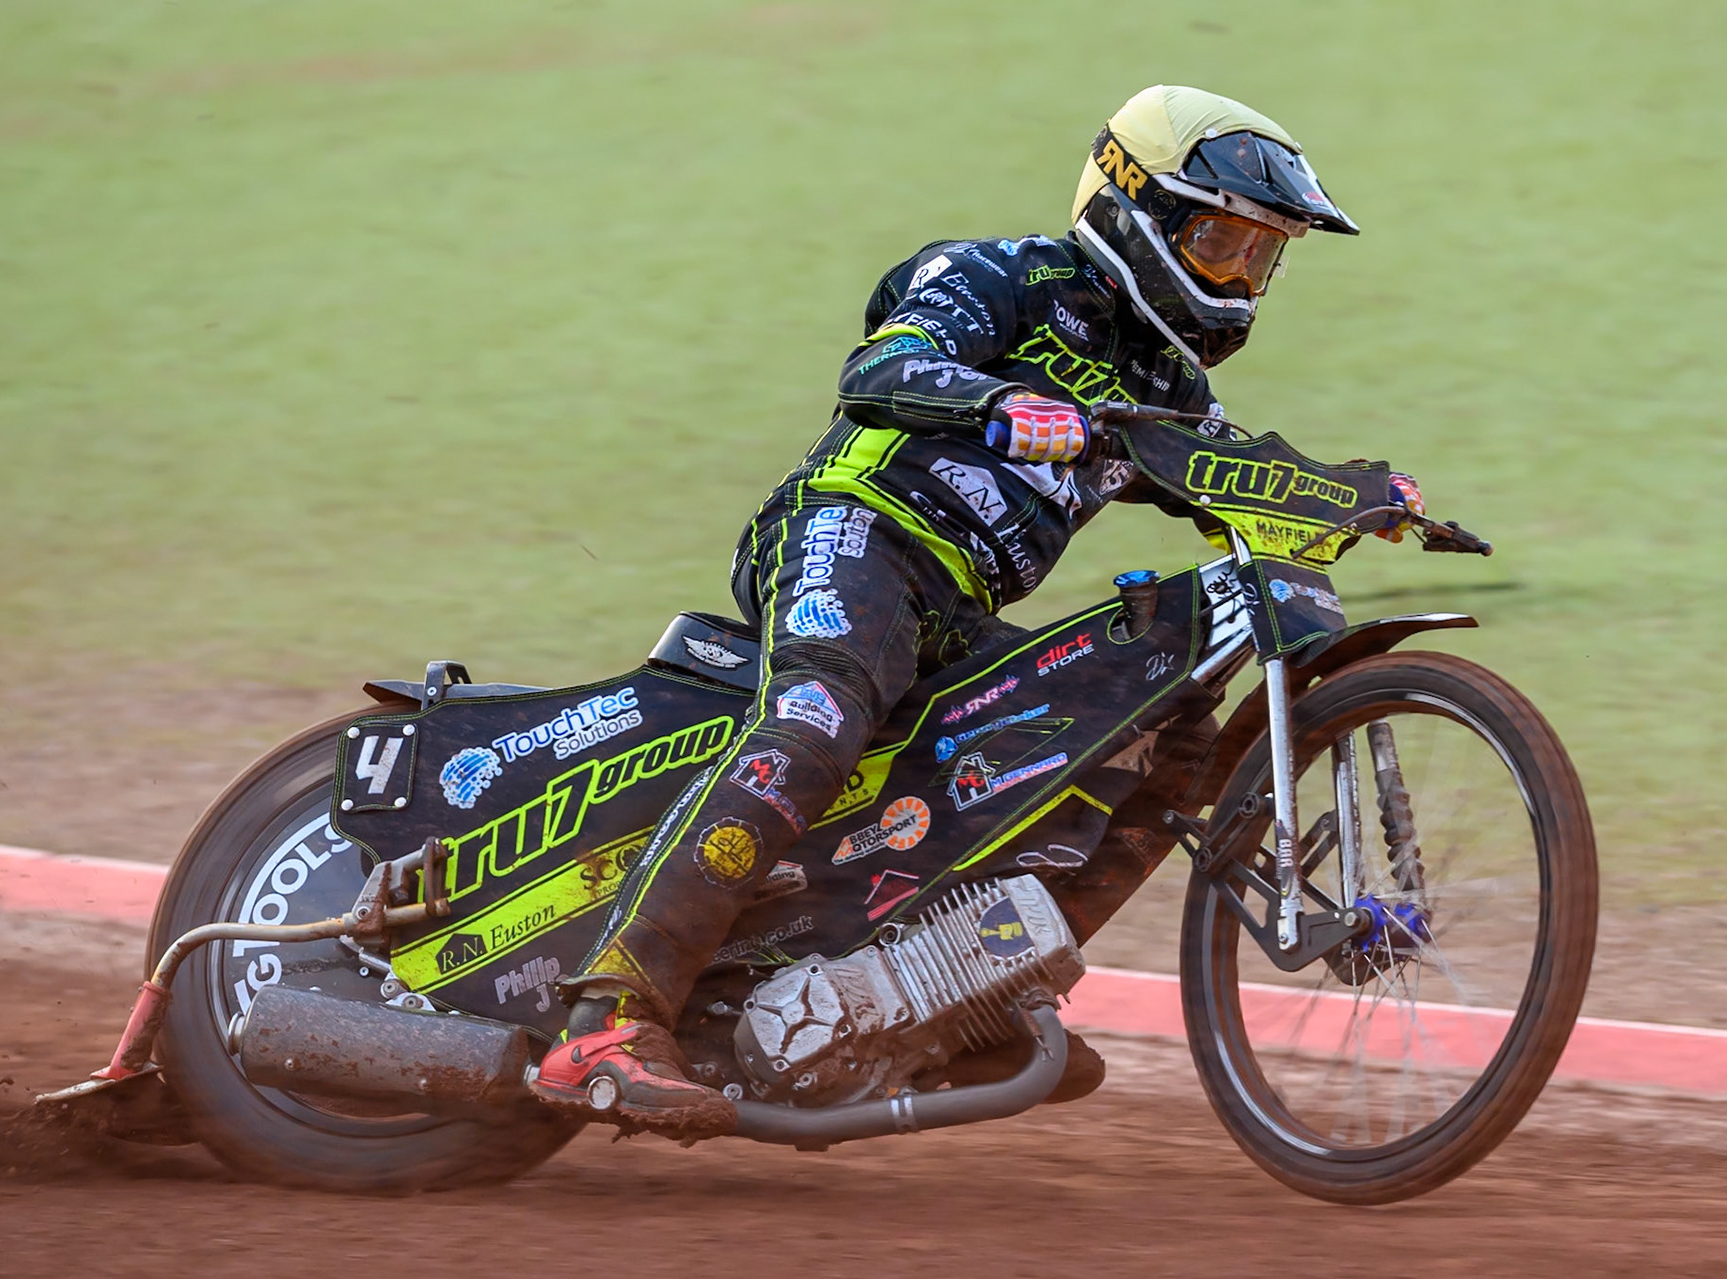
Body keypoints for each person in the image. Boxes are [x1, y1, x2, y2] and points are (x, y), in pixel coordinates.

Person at [530, 85, 1420, 1135]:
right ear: (1135, 207)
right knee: (820, 711)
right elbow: (882, 369)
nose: (1237, 276)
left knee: (1155, 732)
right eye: (1220, 241)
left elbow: (1232, 474)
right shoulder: (994, 274)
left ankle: (962, 997)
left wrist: (1356, 492)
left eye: (1259, 257)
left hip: (955, 611)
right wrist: (999, 404)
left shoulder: (1167, 390)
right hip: (849, 531)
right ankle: (609, 1014)